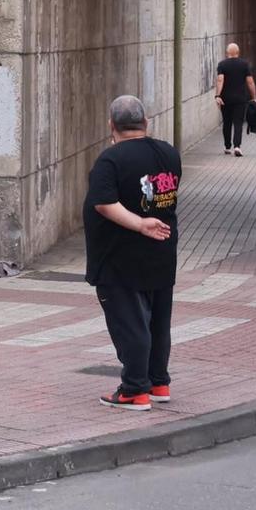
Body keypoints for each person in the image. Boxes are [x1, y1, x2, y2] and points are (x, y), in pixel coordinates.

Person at [83, 94, 181, 411]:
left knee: (130, 323)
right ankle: (158, 382)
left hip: (120, 257)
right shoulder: (168, 153)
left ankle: (134, 390)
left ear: (111, 125)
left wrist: (139, 224)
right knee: (157, 322)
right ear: (146, 122)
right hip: (162, 252)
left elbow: (103, 202)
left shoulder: (111, 160)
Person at [213, 42, 256, 157]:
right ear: (238, 52)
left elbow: (220, 80)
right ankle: (237, 146)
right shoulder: (244, 64)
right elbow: (250, 82)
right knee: (238, 122)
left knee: (226, 122)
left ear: (227, 53)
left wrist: (218, 95)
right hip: (240, 98)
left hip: (225, 99)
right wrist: (254, 97)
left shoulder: (222, 64)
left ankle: (227, 147)